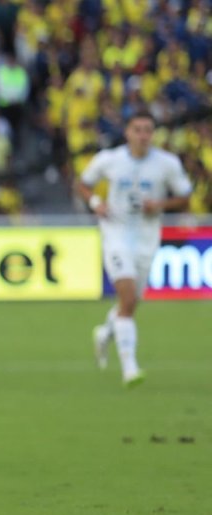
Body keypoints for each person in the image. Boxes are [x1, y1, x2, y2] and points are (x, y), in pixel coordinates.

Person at [76, 111, 192, 387]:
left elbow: (185, 195)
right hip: (116, 234)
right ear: (127, 132)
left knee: (130, 304)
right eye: (137, 129)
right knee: (127, 301)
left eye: (148, 130)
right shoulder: (110, 160)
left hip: (146, 239)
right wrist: (95, 204)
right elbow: (83, 183)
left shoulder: (167, 163)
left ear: (153, 134)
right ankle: (130, 367)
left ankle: (105, 333)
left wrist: (160, 205)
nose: (143, 135)